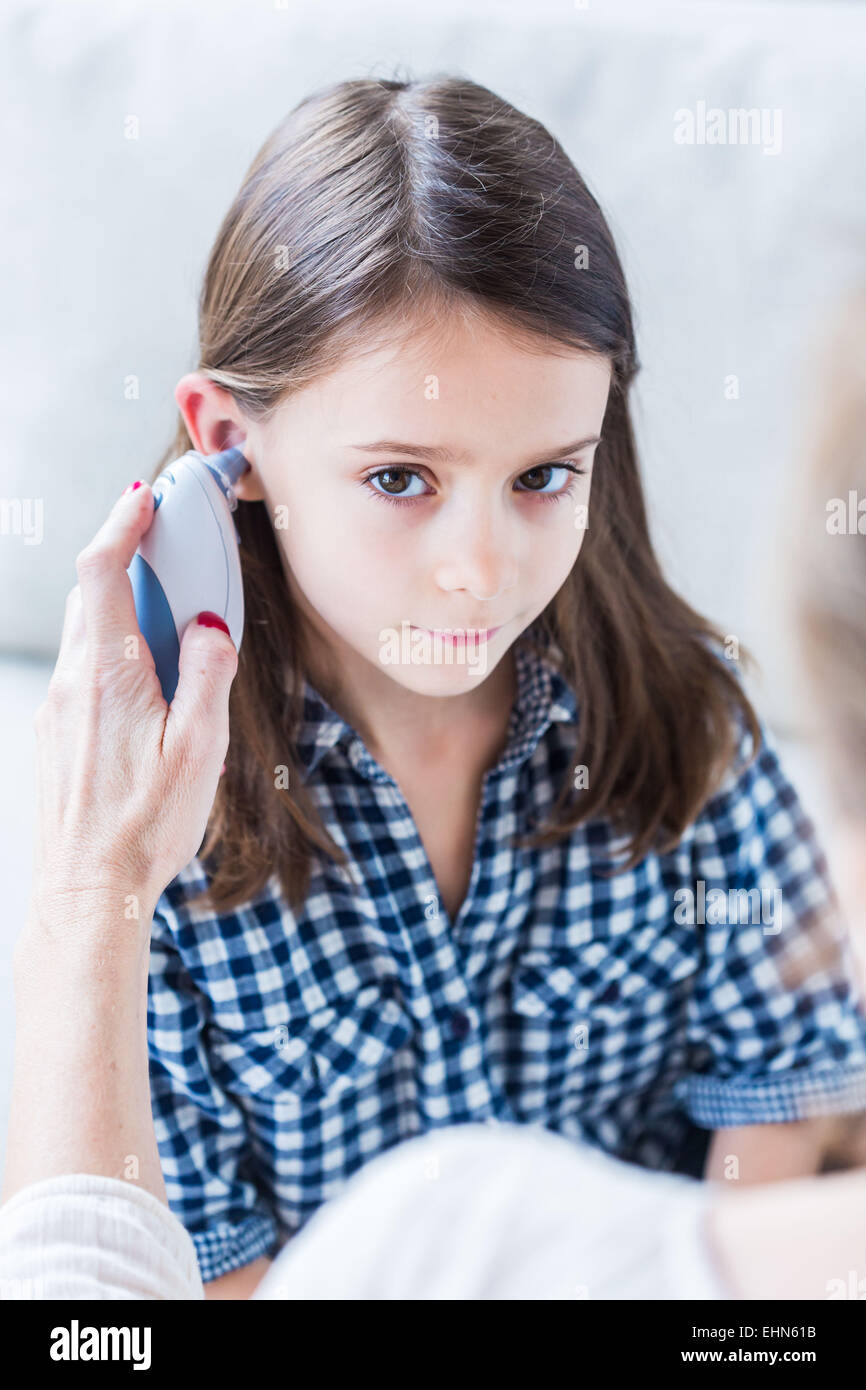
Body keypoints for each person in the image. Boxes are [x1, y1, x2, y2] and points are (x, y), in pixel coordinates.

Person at [1, 74, 865, 1302]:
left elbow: (779, 1088)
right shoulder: (160, 828)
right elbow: (199, 1257)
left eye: (540, 478)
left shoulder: (684, 725)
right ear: (227, 442)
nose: (480, 572)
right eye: (401, 480)